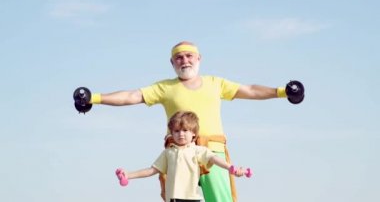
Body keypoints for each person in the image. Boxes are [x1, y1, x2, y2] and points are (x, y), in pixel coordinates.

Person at [73, 41, 304, 202]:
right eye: (178, 57)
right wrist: (93, 98)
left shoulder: (216, 83)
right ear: (172, 62)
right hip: (178, 154)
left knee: (221, 200)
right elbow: (132, 96)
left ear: (199, 58)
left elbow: (251, 90)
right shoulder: (165, 87)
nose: (184, 60)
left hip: (212, 152)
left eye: (189, 55)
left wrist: (283, 91)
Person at [115, 111, 250, 202]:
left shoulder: (197, 150)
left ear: (193, 134)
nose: (181, 134)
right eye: (177, 131)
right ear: (171, 134)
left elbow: (214, 158)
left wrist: (231, 167)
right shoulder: (169, 152)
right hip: (173, 199)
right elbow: (152, 170)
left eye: (185, 130)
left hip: (192, 198)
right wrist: (129, 175)